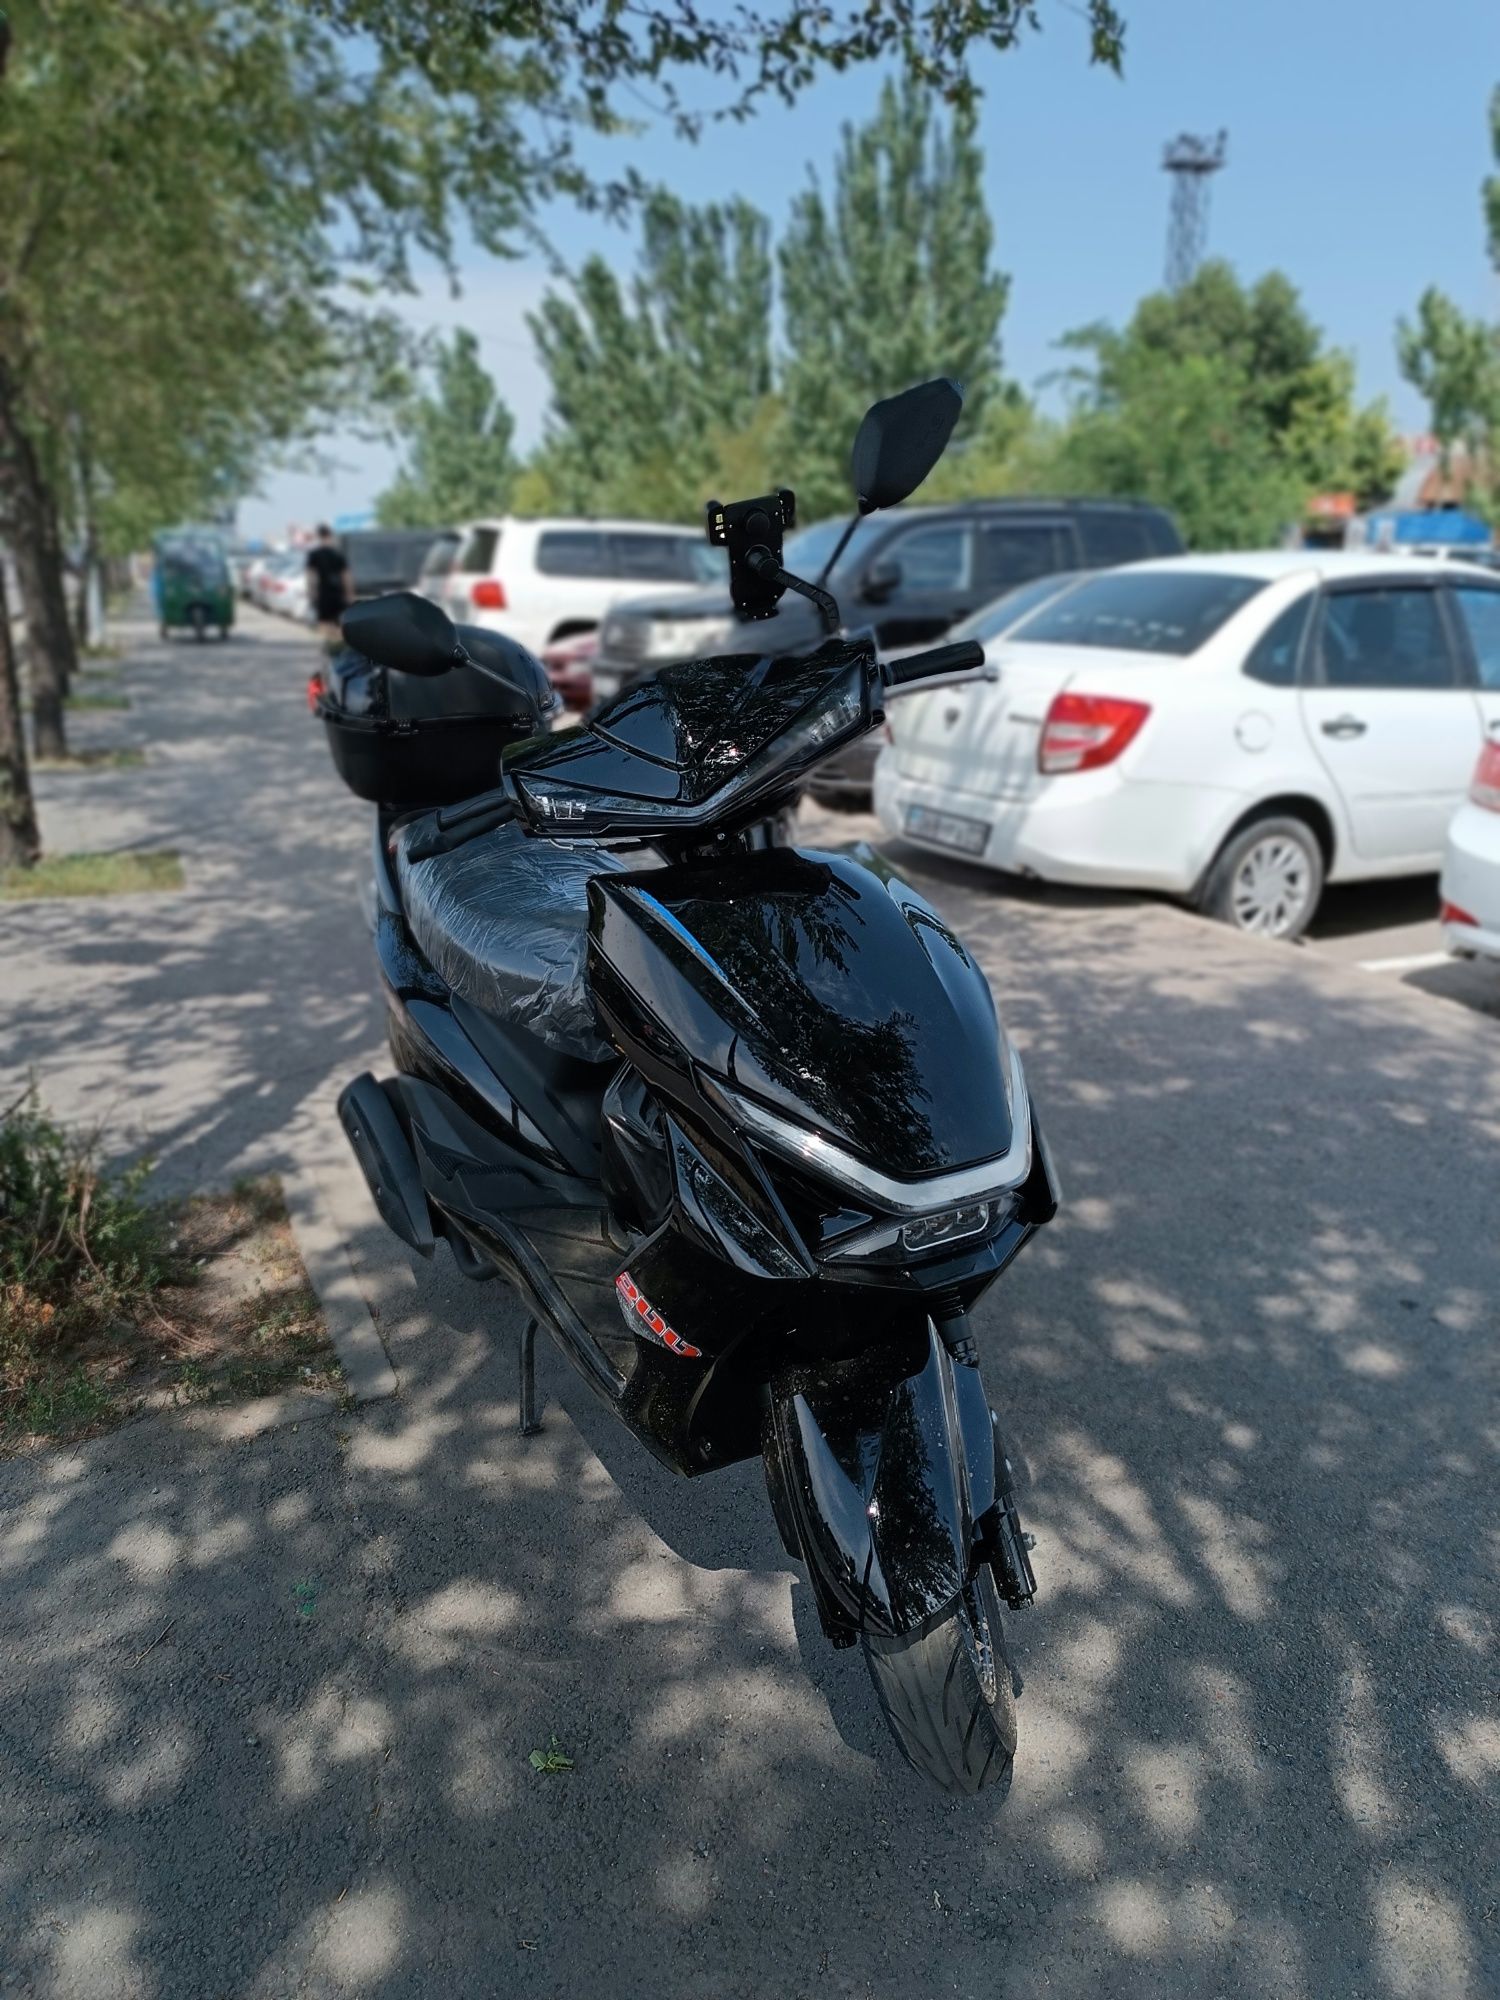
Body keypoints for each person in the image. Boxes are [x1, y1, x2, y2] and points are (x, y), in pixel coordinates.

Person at [305, 526, 352, 652]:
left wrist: (311, 593)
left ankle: (330, 646)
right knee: (338, 623)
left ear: (319, 536)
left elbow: (311, 576)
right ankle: (337, 646)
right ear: (330, 536)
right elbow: (346, 577)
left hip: (323, 593)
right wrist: (349, 595)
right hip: (338, 593)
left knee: (324, 623)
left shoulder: (314, 555)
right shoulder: (338, 554)